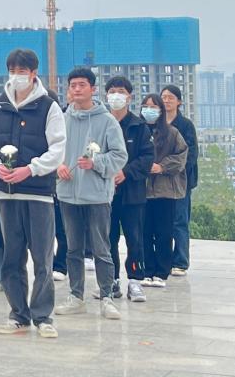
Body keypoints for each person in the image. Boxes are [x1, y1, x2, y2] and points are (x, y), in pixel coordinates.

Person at [0, 48, 66, 339]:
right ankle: (18, 315)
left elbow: (58, 148)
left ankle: (43, 316)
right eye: (13, 71)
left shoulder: (48, 106)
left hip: (38, 192)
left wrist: (31, 169)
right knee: (11, 258)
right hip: (6, 194)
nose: (17, 76)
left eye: (22, 71)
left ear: (34, 73)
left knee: (42, 258)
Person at [53, 68, 128, 321]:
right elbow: (51, 150)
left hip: (97, 195)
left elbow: (119, 156)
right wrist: (58, 166)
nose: (76, 89)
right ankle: (76, 296)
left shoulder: (107, 121)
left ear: (93, 89)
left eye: (82, 85)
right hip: (67, 193)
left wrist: (95, 163)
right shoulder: (62, 119)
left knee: (101, 248)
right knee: (72, 248)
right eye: (73, 85)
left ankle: (107, 296)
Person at [106, 76, 155, 302]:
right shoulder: (102, 123)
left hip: (132, 193)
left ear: (129, 97)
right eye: (112, 91)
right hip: (105, 193)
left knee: (135, 238)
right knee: (108, 238)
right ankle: (111, 280)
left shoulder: (139, 127)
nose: (116, 96)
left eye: (121, 91)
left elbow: (147, 157)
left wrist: (125, 172)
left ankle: (135, 280)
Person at [141, 94, 188, 288]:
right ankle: (147, 270)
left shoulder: (172, 133)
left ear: (161, 110)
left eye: (153, 107)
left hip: (165, 190)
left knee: (164, 233)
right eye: (145, 106)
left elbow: (182, 156)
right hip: (141, 191)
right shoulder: (138, 130)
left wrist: (162, 166)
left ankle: (162, 271)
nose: (149, 110)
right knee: (143, 233)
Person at [162, 85, 198, 277]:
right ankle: (165, 259)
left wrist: (175, 169)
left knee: (180, 221)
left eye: (170, 97)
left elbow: (191, 154)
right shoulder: (156, 123)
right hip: (160, 182)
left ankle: (181, 261)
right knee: (163, 222)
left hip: (181, 181)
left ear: (179, 101)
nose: (166, 100)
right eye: (164, 97)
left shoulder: (185, 125)